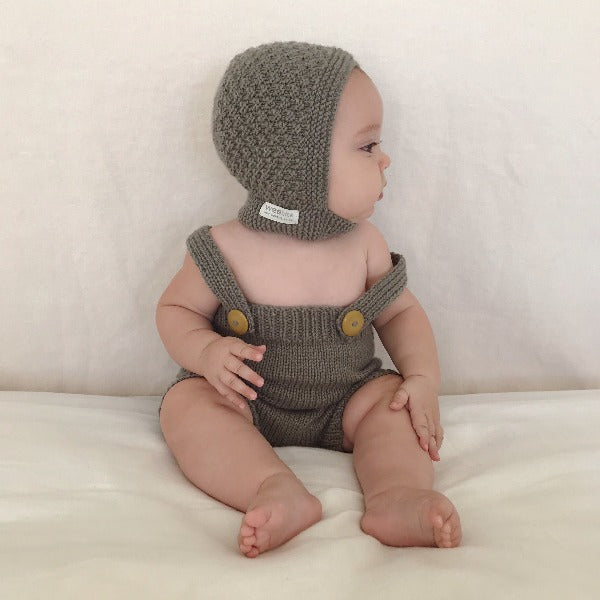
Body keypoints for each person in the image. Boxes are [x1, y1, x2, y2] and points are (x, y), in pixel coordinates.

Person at [156, 41, 462, 558]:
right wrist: (206, 352)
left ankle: (397, 496)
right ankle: (270, 487)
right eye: (367, 147)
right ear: (299, 164)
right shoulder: (224, 247)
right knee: (186, 406)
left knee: (393, 406)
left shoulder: (364, 243)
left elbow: (401, 312)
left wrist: (422, 379)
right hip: (246, 400)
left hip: (349, 397)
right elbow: (175, 310)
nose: (385, 159)